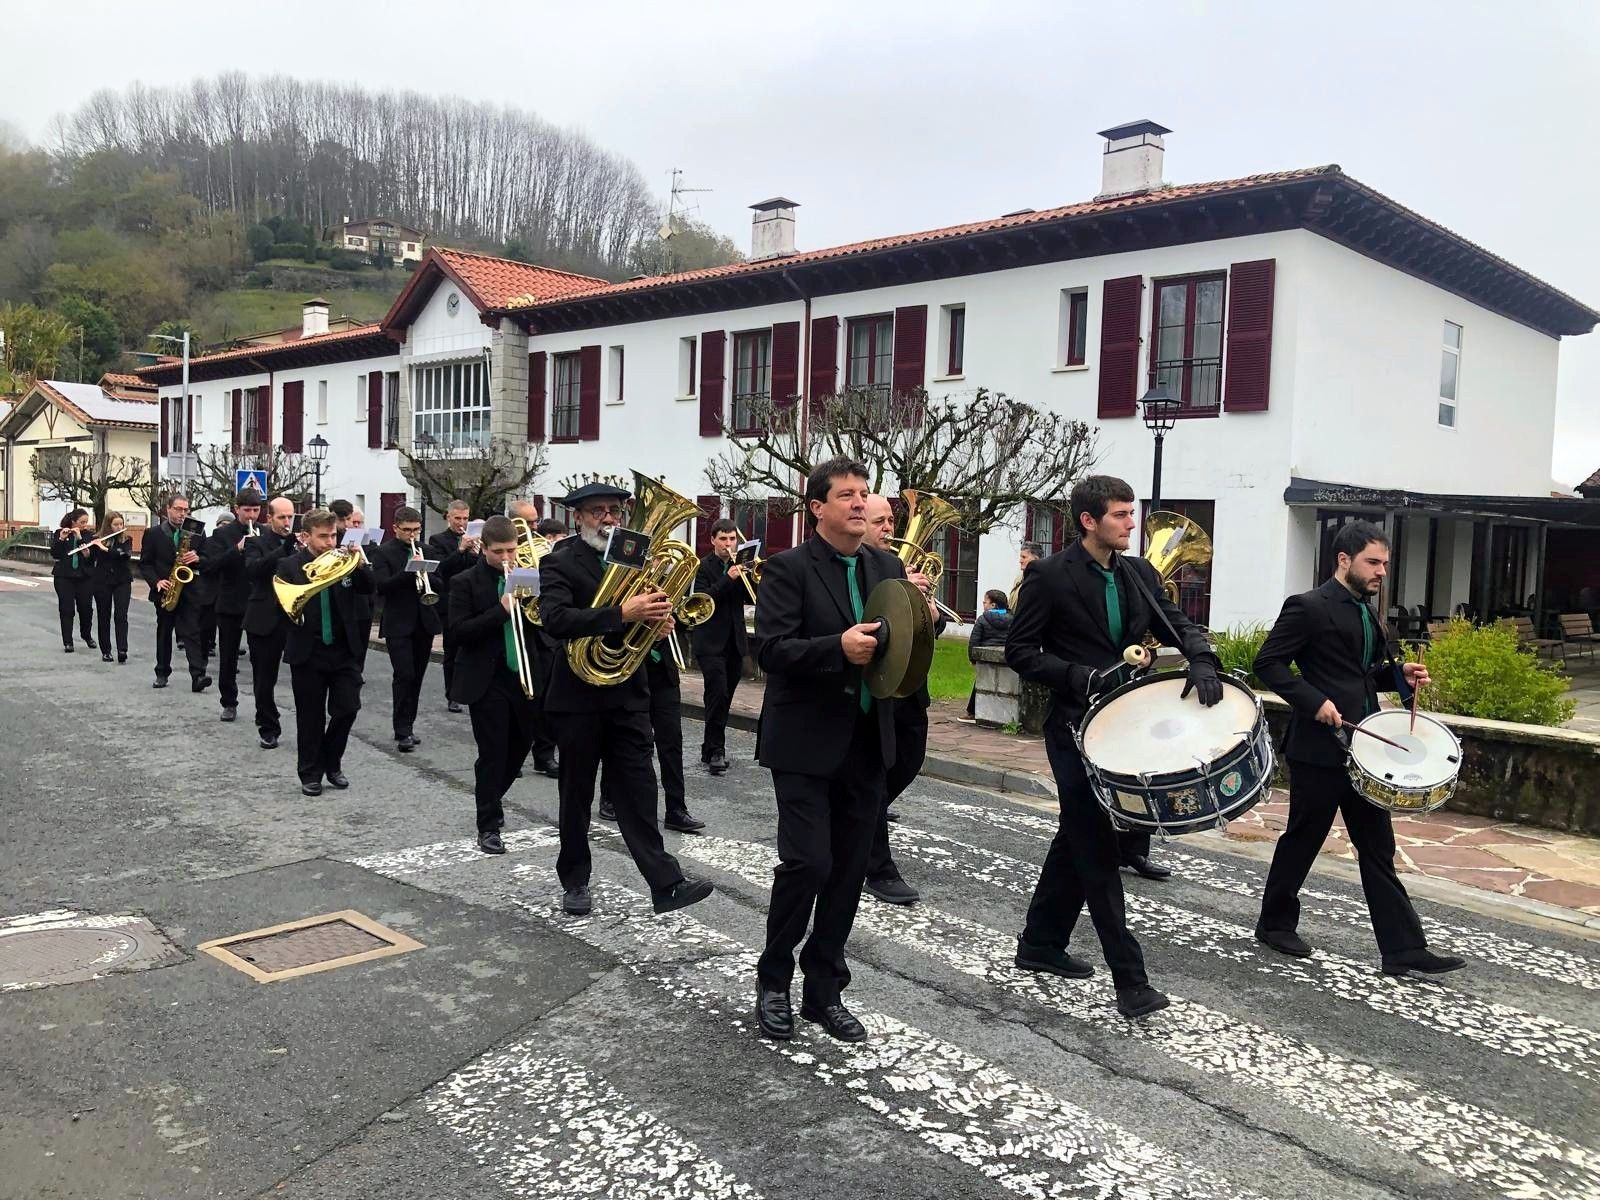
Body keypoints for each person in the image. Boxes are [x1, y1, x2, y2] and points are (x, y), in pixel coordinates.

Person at [1004, 475, 1224, 1019]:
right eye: (1123, 515)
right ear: (1089, 520)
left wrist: (1200, 658)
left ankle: (1039, 943)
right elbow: (1019, 651)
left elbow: (1179, 624)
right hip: (1074, 728)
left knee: (1079, 834)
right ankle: (1130, 980)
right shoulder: (1049, 576)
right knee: (1097, 845)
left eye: (1132, 514)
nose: (1133, 523)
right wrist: (1079, 677)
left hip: (1125, 727)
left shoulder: (1140, 572)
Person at [1253, 520, 1464, 977]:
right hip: (1319, 747)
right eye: (1373, 562)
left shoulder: (1367, 610)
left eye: (1385, 563)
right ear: (1343, 560)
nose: (1382, 572)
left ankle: (1403, 950)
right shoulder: (1307, 606)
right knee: (1304, 838)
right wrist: (1314, 701)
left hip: (1365, 747)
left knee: (1377, 847)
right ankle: (1274, 923)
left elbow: (1362, 673)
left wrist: (1399, 676)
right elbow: (1267, 663)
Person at [753, 458, 907, 1044]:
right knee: (808, 864)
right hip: (803, 744)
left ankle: (824, 991)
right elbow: (771, 651)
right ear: (818, 507)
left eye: (864, 494)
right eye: (847, 495)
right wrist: (836, 648)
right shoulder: (787, 569)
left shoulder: (885, 566)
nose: (860, 503)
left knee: (845, 875)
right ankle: (773, 980)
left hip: (868, 743)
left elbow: (898, 643)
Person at [538, 479, 713, 917]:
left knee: (639, 790)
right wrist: (622, 614)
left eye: (615, 511)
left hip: (628, 694)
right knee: (576, 794)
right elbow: (555, 620)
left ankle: (666, 884)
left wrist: (657, 619)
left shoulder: (637, 558)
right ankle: (575, 880)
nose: (609, 519)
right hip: (577, 698)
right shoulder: (558, 561)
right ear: (577, 517)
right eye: (598, 511)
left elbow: (650, 609)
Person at [860, 493, 944, 907]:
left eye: (892, 521)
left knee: (909, 761)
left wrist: (927, 609)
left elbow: (929, 632)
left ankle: (857, 817)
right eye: (881, 522)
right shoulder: (863, 568)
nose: (889, 530)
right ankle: (878, 867)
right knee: (874, 773)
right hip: (876, 685)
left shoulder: (896, 566)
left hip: (911, 685)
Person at [448, 515, 542, 854]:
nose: (507, 558)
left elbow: (538, 625)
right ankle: (487, 825)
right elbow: (458, 632)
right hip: (486, 678)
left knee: (519, 750)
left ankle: (491, 797)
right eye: (499, 551)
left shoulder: (527, 576)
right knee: (492, 752)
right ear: (483, 548)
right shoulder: (465, 582)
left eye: (512, 550)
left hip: (523, 673)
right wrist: (501, 610)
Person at [276, 508, 375, 795]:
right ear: (306, 536)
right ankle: (310, 773)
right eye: (323, 537)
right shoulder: (289, 566)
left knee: (348, 708)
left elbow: (369, 589)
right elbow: (282, 608)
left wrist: (359, 565)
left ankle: (332, 761)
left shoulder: (345, 562)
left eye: (333, 535)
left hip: (344, 649)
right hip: (308, 650)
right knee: (310, 716)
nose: (330, 542)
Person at [599, 631, 707, 833]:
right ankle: (609, 796)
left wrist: (670, 623)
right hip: (628, 669)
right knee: (622, 736)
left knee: (671, 741)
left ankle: (676, 809)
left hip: (662, 671)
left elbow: (686, 624)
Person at [372, 506, 440, 753]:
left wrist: (427, 572)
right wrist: (409, 571)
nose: (412, 535)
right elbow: (382, 587)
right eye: (407, 530)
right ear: (395, 528)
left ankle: (408, 725)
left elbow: (441, 583)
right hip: (397, 623)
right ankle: (402, 730)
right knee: (404, 675)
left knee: (418, 676)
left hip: (424, 621)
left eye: (416, 530)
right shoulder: (383, 553)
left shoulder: (428, 551)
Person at [691, 518, 752, 777]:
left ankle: (709, 747)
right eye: (724, 539)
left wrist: (751, 578)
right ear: (714, 540)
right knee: (717, 693)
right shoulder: (703, 567)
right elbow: (703, 599)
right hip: (710, 641)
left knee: (723, 697)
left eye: (732, 539)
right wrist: (728, 578)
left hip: (734, 642)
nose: (729, 544)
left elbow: (750, 598)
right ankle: (717, 751)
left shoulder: (740, 566)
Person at [507, 500, 560, 776]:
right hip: (518, 628)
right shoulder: (504, 549)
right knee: (522, 697)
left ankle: (545, 754)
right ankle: (514, 753)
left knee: (547, 696)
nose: (533, 528)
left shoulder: (542, 545)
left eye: (535, 522)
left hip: (546, 630)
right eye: (527, 523)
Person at [139, 493, 211, 692]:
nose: (182, 514)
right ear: (168, 509)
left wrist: (197, 556)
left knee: (192, 633)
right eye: (178, 509)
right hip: (166, 589)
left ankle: (198, 675)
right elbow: (145, 564)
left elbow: (206, 557)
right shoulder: (153, 533)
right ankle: (162, 672)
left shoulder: (196, 530)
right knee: (164, 632)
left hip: (190, 589)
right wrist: (156, 582)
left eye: (185, 510)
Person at [243, 497, 299, 749]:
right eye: (282, 518)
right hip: (264, 617)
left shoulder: (302, 543)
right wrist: (284, 549)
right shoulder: (256, 542)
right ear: (270, 518)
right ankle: (267, 725)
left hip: (296, 615)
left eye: (291, 517)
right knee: (264, 677)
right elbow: (255, 570)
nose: (287, 522)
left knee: (305, 675)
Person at [203, 491, 264, 723]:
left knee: (260, 658)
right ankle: (229, 702)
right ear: (237, 509)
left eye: (256, 510)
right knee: (228, 657)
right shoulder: (221, 535)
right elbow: (210, 566)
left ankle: (262, 705)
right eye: (247, 510)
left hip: (257, 602)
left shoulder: (264, 532)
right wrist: (236, 549)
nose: (251, 515)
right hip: (230, 602)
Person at [428, 499, 480, 713]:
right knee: (452, 651)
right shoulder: (437, 540)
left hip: (474, 601)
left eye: (465, 518)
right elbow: (440, 570)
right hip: (450, 602)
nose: (462, 523)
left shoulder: (476, 539)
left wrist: (479, 555)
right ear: (448, 517)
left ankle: (472, 690)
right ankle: (452, 694)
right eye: (457, 518)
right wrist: (460, 550)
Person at [960, 589, 1012, 722]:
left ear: (993, 605)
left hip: (985, 658)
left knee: (980, 683)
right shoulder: (1013, 619)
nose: (983, 605)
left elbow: (974, 640)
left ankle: (972, 712)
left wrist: (972, 658)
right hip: (1007, 657)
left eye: (985, 602)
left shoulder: (983, 619)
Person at [88, 513, 133, 663]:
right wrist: (87, 551)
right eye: (115, 525)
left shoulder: (126, 540)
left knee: (121, 614)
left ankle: (122, 649)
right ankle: (106, 650)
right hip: (102, 581)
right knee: (104, 615)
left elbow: (124, 556)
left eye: (121, 524)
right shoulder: (97, 539)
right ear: (108, 525)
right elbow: (90, 560)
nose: (119, 527)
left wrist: (105, 549)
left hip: (122, 580)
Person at [50, 509, 95, 653]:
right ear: (73, 521)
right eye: (82, 522)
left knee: (86, 608)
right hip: (64, 576)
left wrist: (81, 538)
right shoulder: (60, 533)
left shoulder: (88, 535)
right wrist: (62, 539)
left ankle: (86, 635)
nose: (84, 525)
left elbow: (91, 557)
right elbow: (55, 554)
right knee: (67, 609)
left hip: (84, 576)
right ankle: (68, 641)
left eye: (86, 522)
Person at [1009, 542, 1043, 611]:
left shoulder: (1042, 579)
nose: (1020, 561)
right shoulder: (1019, 579)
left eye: (1024, 557)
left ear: (1035, 559)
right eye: (1020, 557)